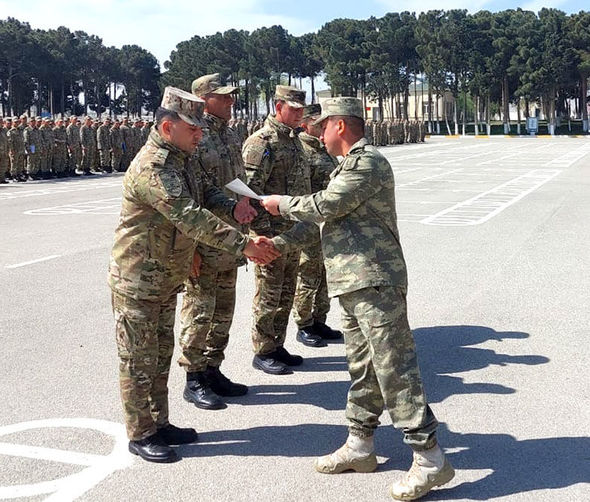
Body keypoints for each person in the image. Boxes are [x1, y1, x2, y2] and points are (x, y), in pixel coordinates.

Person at [261, 97, 455, 501]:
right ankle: (360, 445)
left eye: (323, 126)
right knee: (363, 367)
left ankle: (430, 458)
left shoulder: (368, 163)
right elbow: (322, 220)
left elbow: (325, 205)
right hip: (351, 283)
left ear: (340, 126)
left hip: (375, 280)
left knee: (394, 368)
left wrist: (281, 205)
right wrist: (276, 245)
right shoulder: (345, 167)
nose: (318, 133)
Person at [108, 86, 280, 464]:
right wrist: (245, 245)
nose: (200, 135)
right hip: (138, 280)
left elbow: (206, 193)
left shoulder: (181, 159)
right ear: (168, 127)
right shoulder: (154, 167)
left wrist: (232, 209)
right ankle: (140, 432)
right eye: (193, 129)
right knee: (138, 360)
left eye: (201, 129)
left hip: (165, 276)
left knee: (160, 355)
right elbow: (189, 216)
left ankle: (159, 422)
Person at [178, 73, 249, 410]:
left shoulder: (230, 134)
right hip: (203, 239)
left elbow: (237, 178)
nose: (230, 101)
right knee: (199, 310)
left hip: (230, 236)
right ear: (204, 99)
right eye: (223, 97)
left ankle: (212, 369)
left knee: (223, 309)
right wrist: (189, 247)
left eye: (230, 96)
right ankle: (193, 378)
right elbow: (188, 196)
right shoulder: (194, 135)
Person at [242, 85, 311, 375]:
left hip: (292, 232)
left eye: (301, 110)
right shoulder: (262, 142)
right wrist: (260, 237)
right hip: (270, 235)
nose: (299, 114)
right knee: (268, 294)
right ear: (278, 106)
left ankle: (277, 344)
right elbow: (250, 193)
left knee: (286, 292)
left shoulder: (294, 140)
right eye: (293, 109)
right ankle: (263, 350)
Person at [292, 104, 342, 348]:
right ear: (304, 125)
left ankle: (319, 319)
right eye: (317, 123)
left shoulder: (325, 149)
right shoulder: (301, 150)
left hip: (327, 222)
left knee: (325, 274)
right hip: (309, 223)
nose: (322, 126)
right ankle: (304, 323)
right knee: (308, 274)